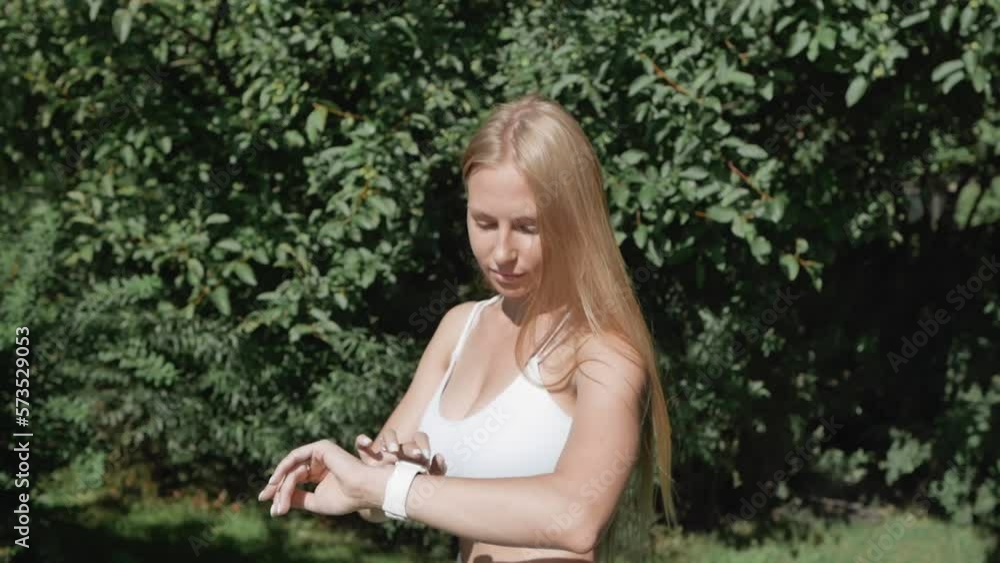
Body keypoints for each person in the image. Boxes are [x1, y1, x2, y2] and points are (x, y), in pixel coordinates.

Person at [258, 93, 677, 562]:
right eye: (484, 222)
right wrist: (382, 475)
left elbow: (576, 517)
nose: (502, 252)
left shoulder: (602, 351)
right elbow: (376, 493)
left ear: (574, 221)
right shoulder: (459, 327)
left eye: (528, 227)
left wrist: (396, 488)